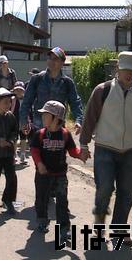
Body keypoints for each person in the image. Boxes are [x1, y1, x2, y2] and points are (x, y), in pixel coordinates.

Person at [79, 51, 132, 247]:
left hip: (129, 150)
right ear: (118, 69)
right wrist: (84, 145)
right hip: (104, 148)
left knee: (127, 191)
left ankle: (119, 230)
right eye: (126, 70)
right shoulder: (102, 90)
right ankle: (100, 225)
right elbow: (90, 118)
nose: (129, 74)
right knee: (104, 189)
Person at [30, 100, 85, 241]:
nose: (42, 118)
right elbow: (34, 150)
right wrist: (39, 164)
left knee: (62, 202)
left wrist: (80, 154)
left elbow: (72, 151)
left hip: (60, 174)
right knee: (41, 199)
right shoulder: (40, 134)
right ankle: (42, 221)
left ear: (56, 118)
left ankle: (64, 228)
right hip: (43, 175)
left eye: (45, 115)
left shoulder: (65, 134)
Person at [20, 47, 84, 134]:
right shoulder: (37, 79)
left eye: (55, 59)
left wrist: (78, 121)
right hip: (39, 128)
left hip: (58, 128)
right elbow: (26, 102)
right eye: (50, 58)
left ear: (62, 62)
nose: (51, 61)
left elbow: (75, 103)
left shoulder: (67, 82)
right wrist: (24, 120)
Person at [12, 81, 29, 165]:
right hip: (14, 121)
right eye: (17, 90)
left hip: (23, 122)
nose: (19, 92)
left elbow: (29, 111)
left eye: (20, 90)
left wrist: (29, 121)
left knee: (23, 139)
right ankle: (14, 155)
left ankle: (22, 155)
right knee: (14, 139)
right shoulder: (12, 100)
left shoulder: (26, 100)